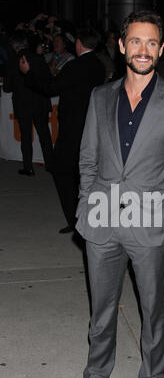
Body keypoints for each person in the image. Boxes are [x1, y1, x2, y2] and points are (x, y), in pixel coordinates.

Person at [64, 11, 164, 378]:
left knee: (152, 309)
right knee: (101, 307)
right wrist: (86, 207)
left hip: (149, 222)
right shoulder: (100, 97)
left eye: (151, 43)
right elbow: (87, 157)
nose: (143, 49)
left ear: (160, 49)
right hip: (102, 220)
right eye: (136, 41)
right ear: (122, 46)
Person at [19, 29, 105, 233]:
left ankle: (76, 220)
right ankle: (89, 216)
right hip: (93, 125)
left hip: (73, 127)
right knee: (83, 172)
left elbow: (50, 88)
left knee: (63, 171)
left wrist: (28, 73)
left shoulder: (75, 66)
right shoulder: (98, 65)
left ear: (79, 43)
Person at [3, 32, 53, 175]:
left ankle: (28, 167)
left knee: (25, 136)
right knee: (44, 134)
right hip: (40, 101)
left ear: (13, 47)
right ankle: (50, 164)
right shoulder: (38, 58)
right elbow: (49, 79)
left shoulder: (12, 62)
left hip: (23, 103)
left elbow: (6, 88)